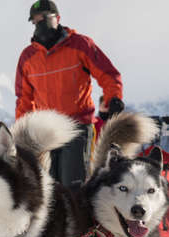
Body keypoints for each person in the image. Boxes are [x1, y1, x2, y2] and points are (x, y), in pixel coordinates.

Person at [15, 0, 124, 186]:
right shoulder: (28, 57)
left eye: (42, 19)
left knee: (72, 185)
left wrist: (113, 97)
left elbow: (107, 73)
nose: (38, 24)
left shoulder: (80, 45)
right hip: (46, 131)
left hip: (77, 127)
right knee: (49, 188)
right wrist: (22, 132)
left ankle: (78, 214)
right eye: (34, 21)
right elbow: (24, 99)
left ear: (57, 18)